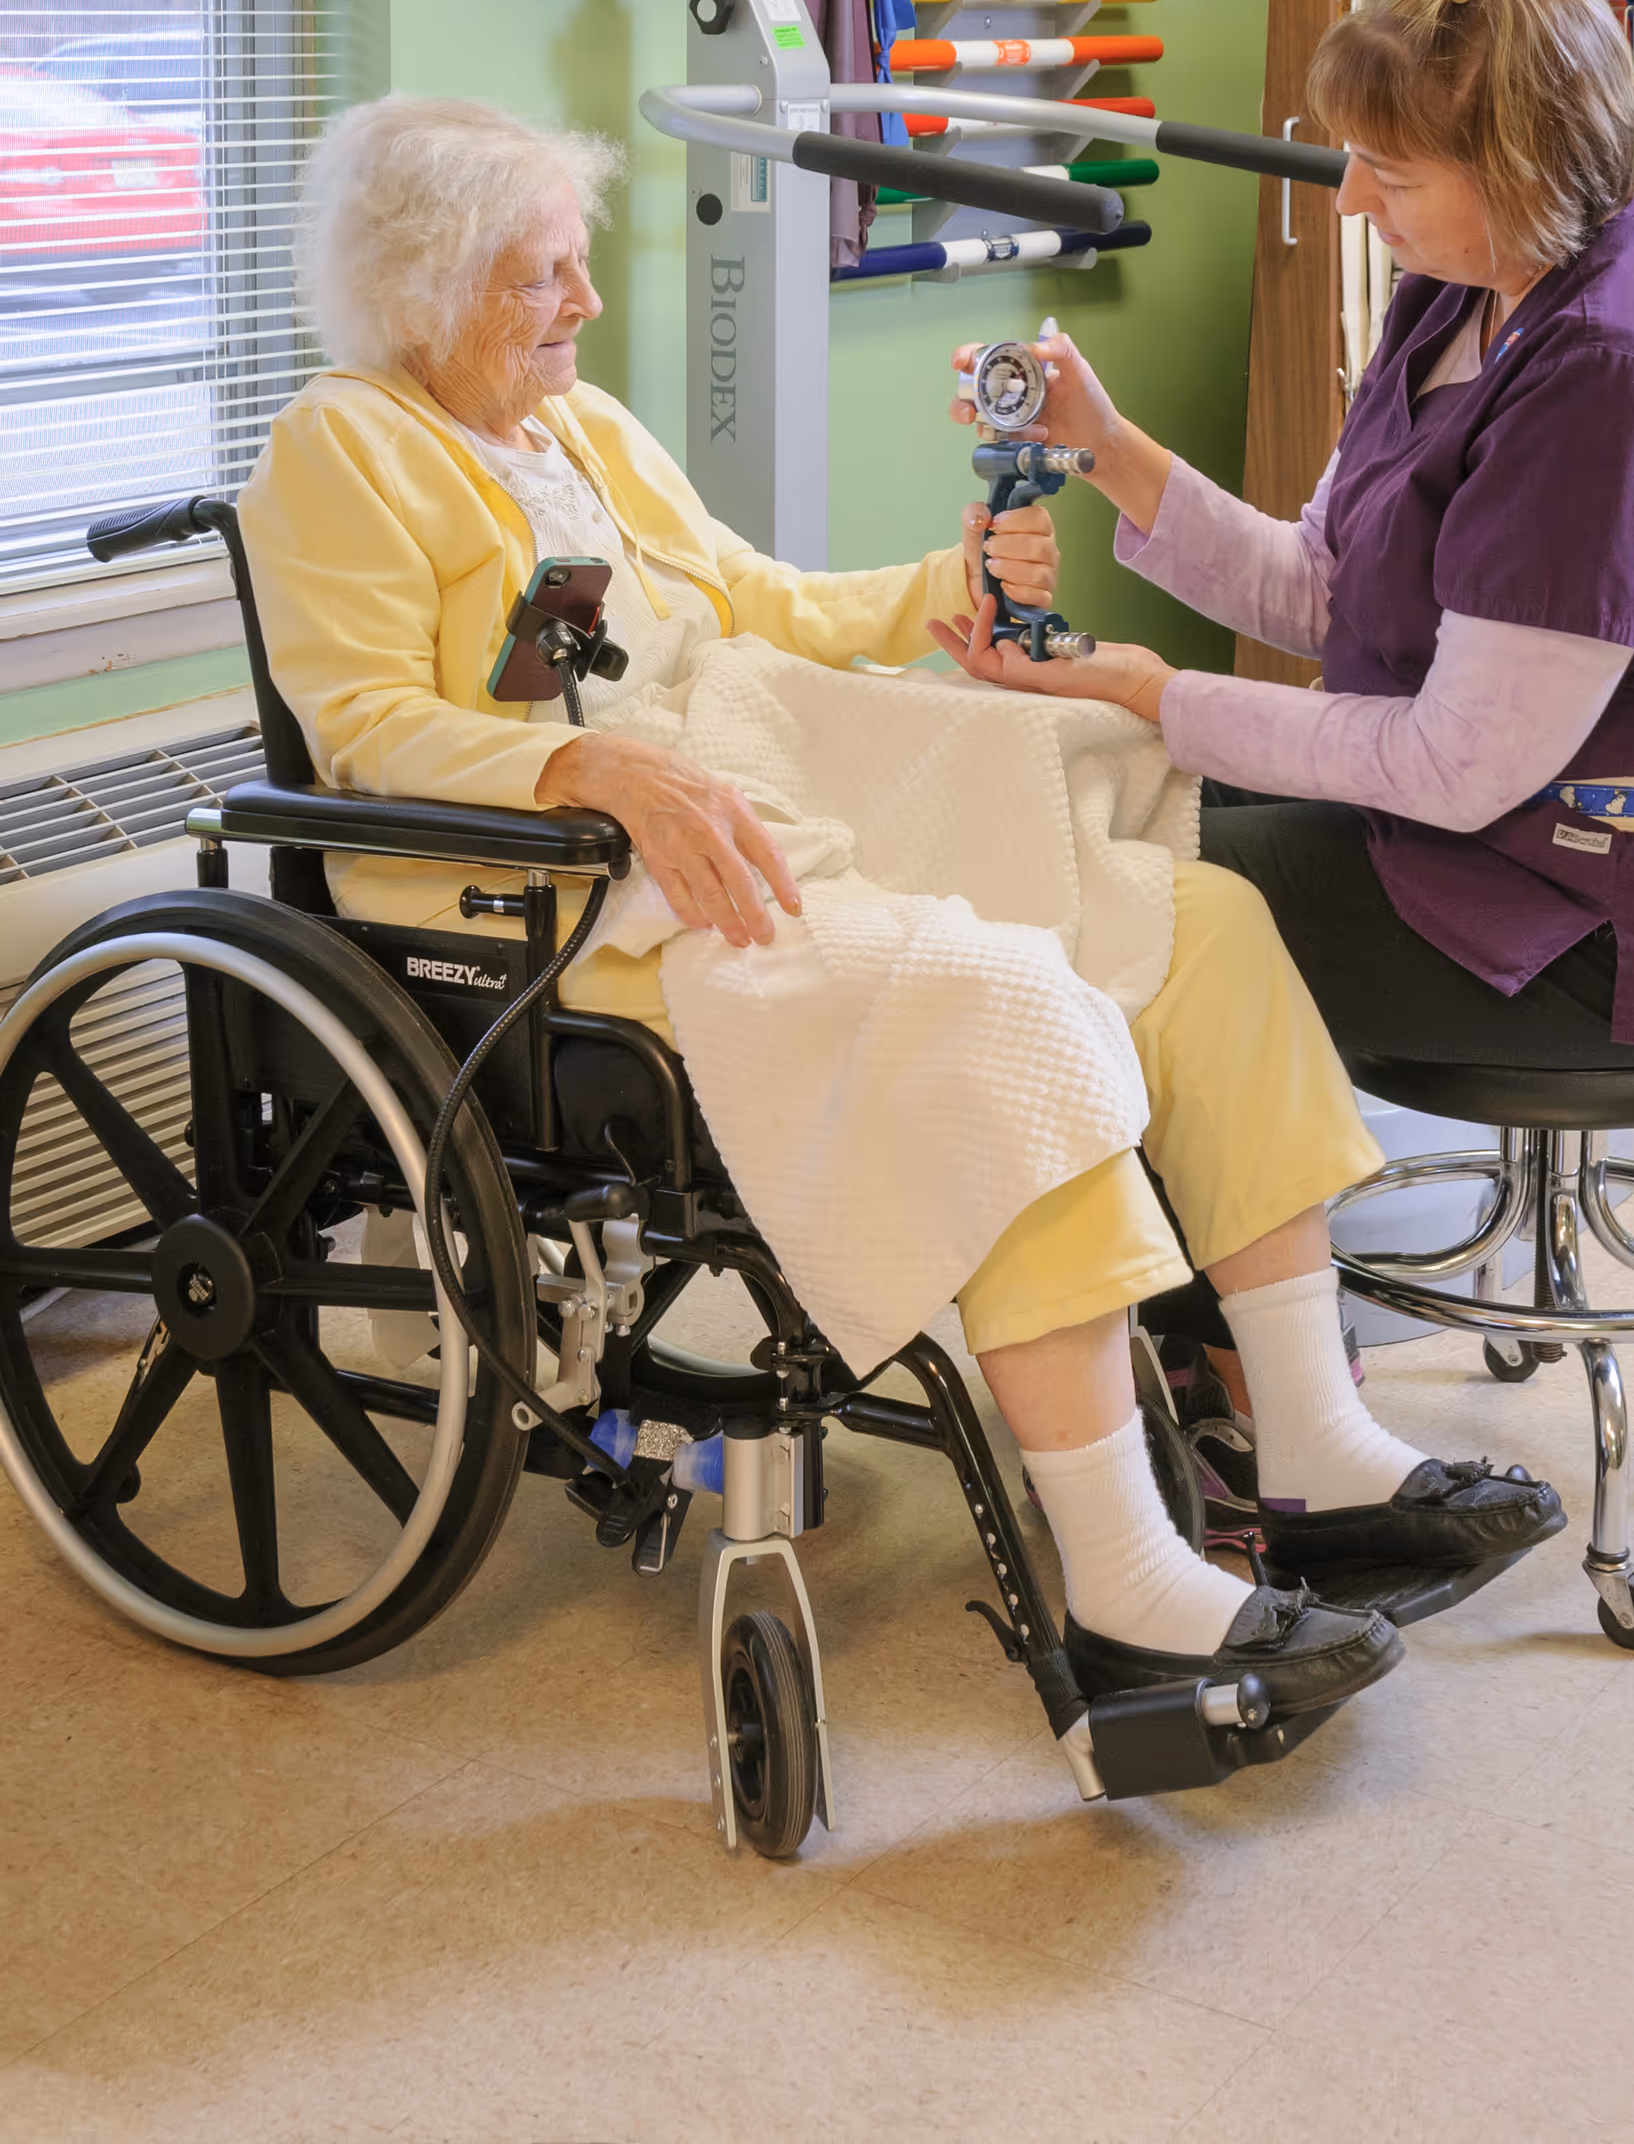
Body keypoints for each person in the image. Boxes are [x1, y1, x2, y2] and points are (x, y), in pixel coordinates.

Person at [240, 93, 1561, 1719]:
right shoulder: (341, 444)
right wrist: (592, 774)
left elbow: (763, 606)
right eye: (540, 277)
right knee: (1000, 997)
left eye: (577, 266)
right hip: (544, 892)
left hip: (750, 786)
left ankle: (1316, 1449)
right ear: (425, 290)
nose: (585, 303)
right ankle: (1132, 1593)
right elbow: (364, 724)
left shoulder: (581, 432)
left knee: (1189, 924)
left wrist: (954, 583)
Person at [936, 0, 1634, 1430]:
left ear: (1526, 160)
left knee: (1124, 908)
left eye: (1392, 171)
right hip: (1523, 817)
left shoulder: (1614, 367)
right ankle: (1215, 1343)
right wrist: (1109, 446)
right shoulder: (1477, 278)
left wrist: (1152, 690)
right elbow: (1330, 585)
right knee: (1097, 800)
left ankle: (1252, 1401)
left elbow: (1449, 765)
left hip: (1633, 904)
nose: (1352, 201)